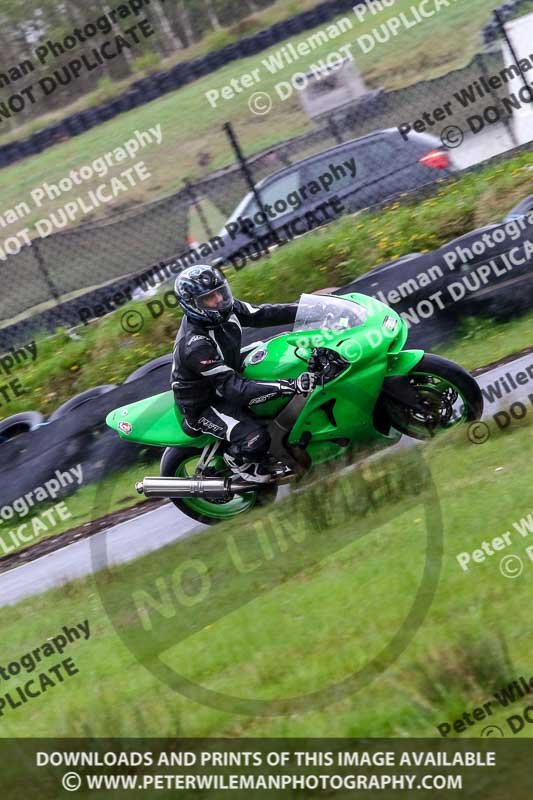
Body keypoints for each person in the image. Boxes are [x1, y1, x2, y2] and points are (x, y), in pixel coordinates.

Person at [171, 264, 315, 483]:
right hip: (206, 404)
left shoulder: (226, 310)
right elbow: (235, 389)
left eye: (221, 291)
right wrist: (290, 385)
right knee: (256, 438)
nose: (219, 299)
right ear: (193, 305)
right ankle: (235, 459)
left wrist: (307, 310)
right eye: (210, 297)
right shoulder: (195, 346)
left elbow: (264, 314)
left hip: (228, 374)